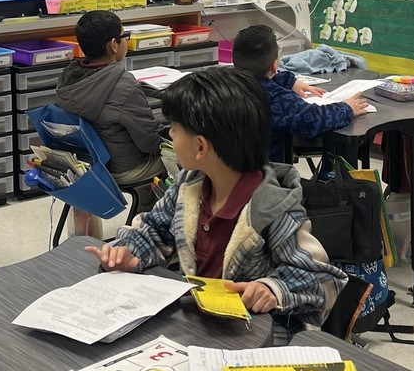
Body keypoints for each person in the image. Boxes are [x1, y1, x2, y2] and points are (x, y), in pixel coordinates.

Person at [84, 67, 348, 344]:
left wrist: (272, 288)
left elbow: (321, 279)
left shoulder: (271, 207)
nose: (169, 134)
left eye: (174, 129)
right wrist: (129, 253)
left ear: (201, 147)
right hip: (197, 324)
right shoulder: (189, 185)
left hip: (253, 338)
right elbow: (154, 230)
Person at [55, 10, 168, 211]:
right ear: (114, 45)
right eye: (125, 37)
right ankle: (154, 221)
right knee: (189, 157)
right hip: (126, 169)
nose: (126, 42)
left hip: (90, 166)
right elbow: (149, 142)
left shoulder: (68, 78)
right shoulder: (123, 85)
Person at [231, 24, 369, 164]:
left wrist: (290, 81)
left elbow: (257, 77)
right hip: (266, 178)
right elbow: (315, 120)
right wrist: (347, 108)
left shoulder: (225, 84)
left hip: (226, 175)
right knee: (363, 187)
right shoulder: (275, 98)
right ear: (275, 66)